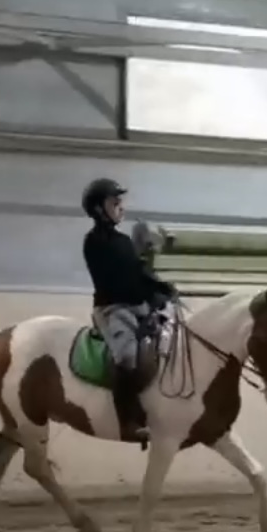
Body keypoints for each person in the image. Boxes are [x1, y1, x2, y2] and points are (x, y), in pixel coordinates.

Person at [80, 177, 177, 444]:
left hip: (136, 305)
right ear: (99, 209)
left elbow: (138, 272)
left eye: (120, 202)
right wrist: (146, 295)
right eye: (115, 203)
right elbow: (118, 282)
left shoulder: (124, 241)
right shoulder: (93, 242)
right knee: (126, 355)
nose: (121, 207)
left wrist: (162, 289)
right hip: (112, 308)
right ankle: (127, 421)